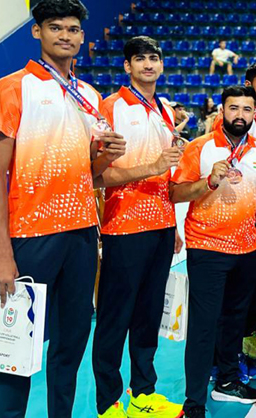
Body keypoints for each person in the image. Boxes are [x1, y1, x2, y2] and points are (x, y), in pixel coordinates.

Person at [0, 1, 126, 416]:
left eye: (72, 29)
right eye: (55, 27)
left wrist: (105, 157)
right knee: (17, 350)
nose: (65, 35)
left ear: (82, 37)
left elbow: (90, 172)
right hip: (32, 236)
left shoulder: (89, 97)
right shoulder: (12, 88)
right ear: (37, 32)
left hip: (82, 236)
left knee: (70, 344)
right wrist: (2, 255)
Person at [170, 86, 256, 418]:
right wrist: (208, 181)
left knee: (235, 321)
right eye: (234, 108)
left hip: (247, 249)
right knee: (204, 326)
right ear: (222, 110)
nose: (240, 115)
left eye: (247, 109)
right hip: (207, 248)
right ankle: (194, 402)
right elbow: (175, 193)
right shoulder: (201, 148)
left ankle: (228, 381)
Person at [93, 35, 184, 418]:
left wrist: (173, 224)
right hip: (123, 227)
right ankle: (108, 402)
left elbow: (169, 175)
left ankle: (143, 392)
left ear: (161, 65)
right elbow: (98, 176)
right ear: (127, 66)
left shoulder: (165, 110)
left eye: (154, 58)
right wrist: (151, 167)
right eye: (140, 58)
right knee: (115, 318)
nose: (148, 64)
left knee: (148, 316)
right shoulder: (110, 107)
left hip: (161, 226)